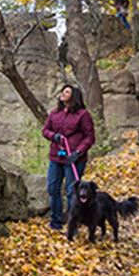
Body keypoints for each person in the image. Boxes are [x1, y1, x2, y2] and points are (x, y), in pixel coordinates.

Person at [42, 84, 95, 230]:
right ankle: (56, 223)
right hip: (56, 157)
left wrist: (78, 152)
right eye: (63, 91)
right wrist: (54, 136)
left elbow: (90, 137)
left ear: (74, 96)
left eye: (67, 92)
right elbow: (45, 130)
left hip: (74, 159)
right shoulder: (54, 113)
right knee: (53, 189)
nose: (63, 94)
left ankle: (73, 225)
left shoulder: (83, 115)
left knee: (72, 192)